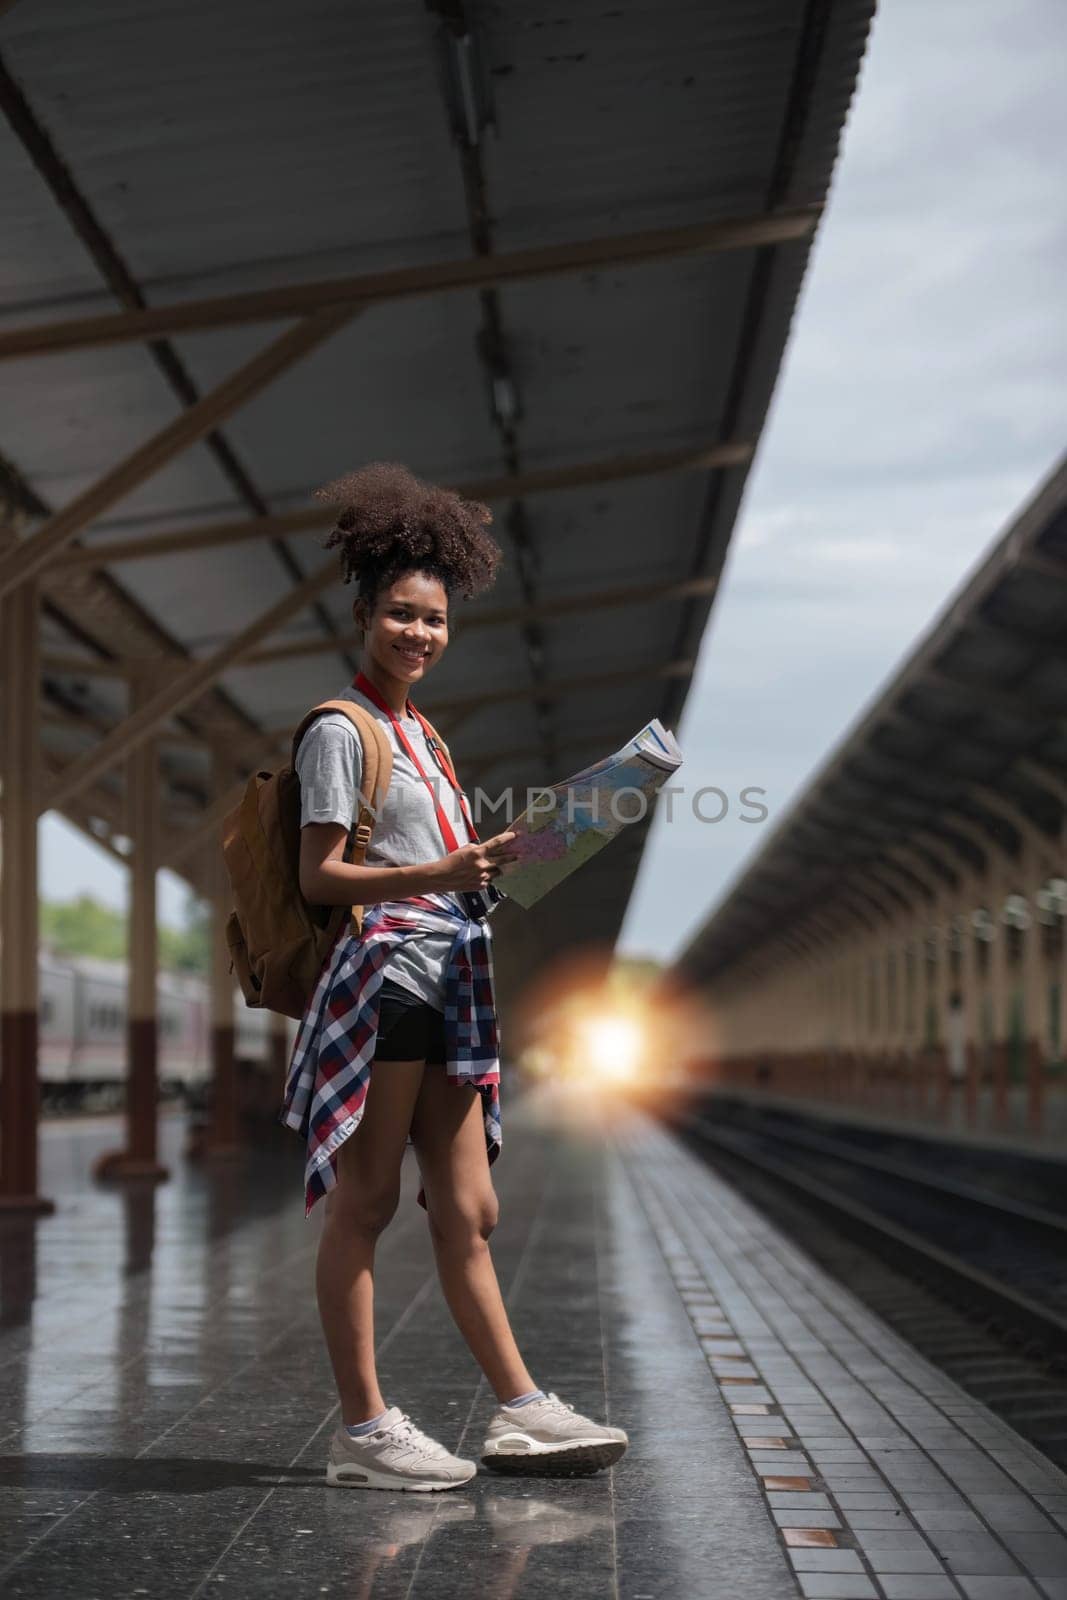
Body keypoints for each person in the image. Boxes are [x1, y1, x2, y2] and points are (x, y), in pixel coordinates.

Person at [281, 462, 628, 1492]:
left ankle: (519, 1410)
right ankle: (362, 1428)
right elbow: (320, 872)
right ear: (363, 612)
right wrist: (443, 868)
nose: (417, 634)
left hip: (452, 981)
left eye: (432, 619)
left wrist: (525, 849)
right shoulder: (341, 731)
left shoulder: (421, 733)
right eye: (399, 614)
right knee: (369, 1200)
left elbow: (445, 861)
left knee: (468, 1208)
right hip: (386, 980)